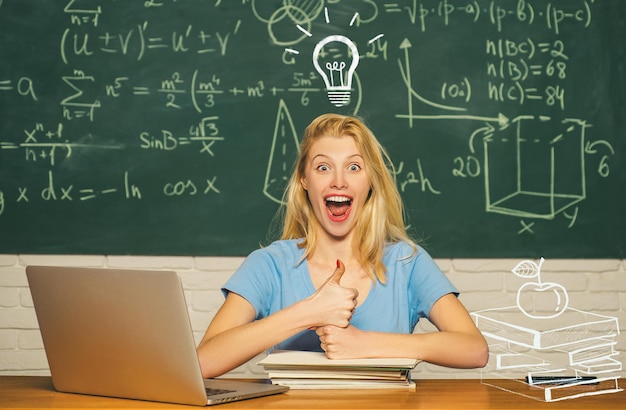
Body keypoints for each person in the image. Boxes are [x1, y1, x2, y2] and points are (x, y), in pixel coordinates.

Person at [197, 113, 488, 378]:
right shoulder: (268, 264)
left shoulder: (406, 262)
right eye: (323, 167)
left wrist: (364, 343)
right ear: (304, 180)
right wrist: (308, 312)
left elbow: (474, 350)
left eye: (353, 167)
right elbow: (202, 363)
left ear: (371, 180)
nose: (339, 181)